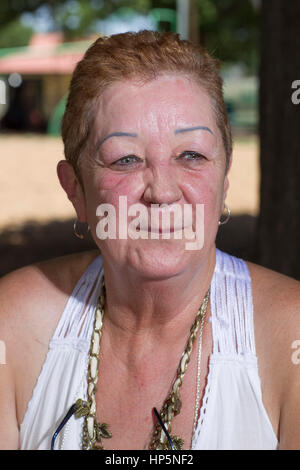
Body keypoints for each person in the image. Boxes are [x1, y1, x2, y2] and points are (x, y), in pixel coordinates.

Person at [0, 30, 300, 451]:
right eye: (126, 159)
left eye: (191, 155)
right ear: (76, 191)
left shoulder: (291, 340)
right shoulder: (12, 329)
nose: (161, 191)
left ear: (224, 177)